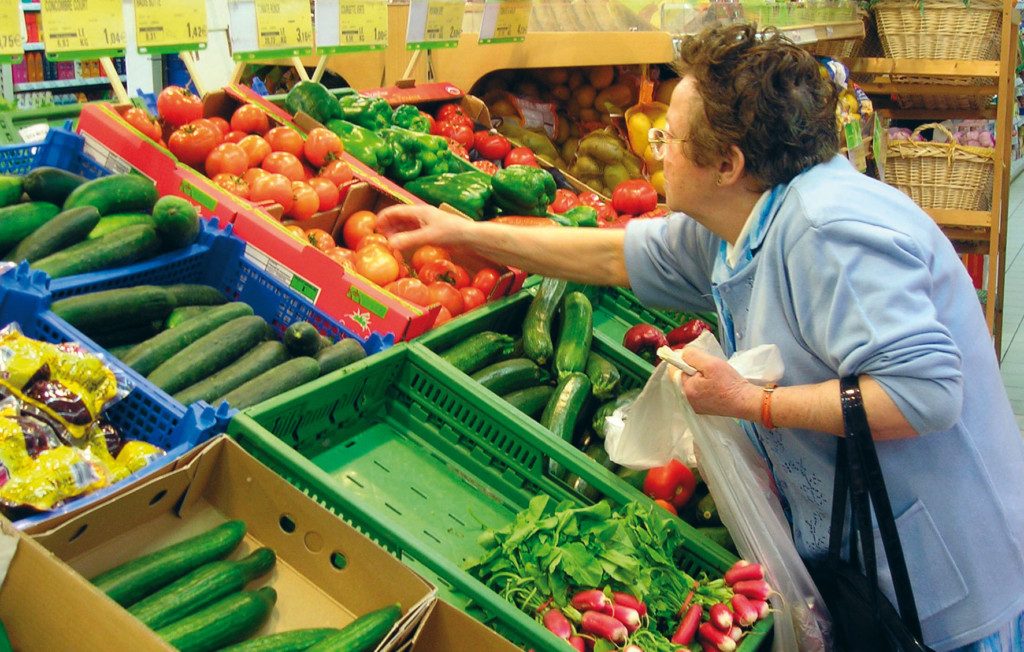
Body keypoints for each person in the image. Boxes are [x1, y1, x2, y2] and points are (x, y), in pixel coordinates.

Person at [376, 23, 1024, 651]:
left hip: (941, 578)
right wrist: (458, 232)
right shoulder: (739, 216)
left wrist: (750, 403)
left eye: (668, 137)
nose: (656, 150)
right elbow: (612, 257)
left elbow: (924, 395)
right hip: (866, 558)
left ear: (726, 163)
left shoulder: (831, 230)